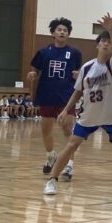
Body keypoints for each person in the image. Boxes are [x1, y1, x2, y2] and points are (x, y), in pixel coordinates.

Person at [44, 15, 112, 196]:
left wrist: (111, 30)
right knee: (71, 145)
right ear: (97, 45)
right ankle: (52, 180)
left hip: (110, 116)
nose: (106, 44)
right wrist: (65, 110)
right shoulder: (87, 67)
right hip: (88, 116)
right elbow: (78, 91)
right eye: (103, 41)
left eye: (109, 42)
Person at [28, 18, 83, 175]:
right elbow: (35, 69)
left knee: (68, 129)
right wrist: (33, 74)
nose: (62, 32)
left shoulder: (74, 53)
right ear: (53, 33)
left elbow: (79, 72)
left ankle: (69, 164)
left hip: (66, 96)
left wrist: (78, 75)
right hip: (47, 95)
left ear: (68, 34)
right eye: (59, 30)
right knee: (46, 130)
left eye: (65, 30)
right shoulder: (44, 53)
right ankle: (51, 156)